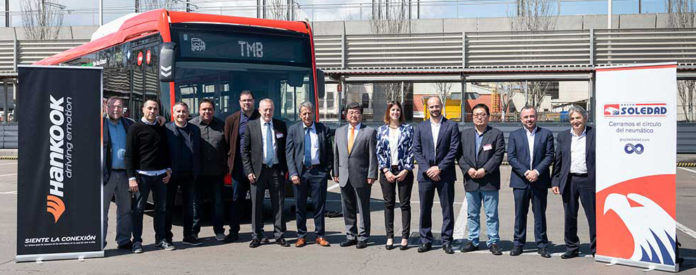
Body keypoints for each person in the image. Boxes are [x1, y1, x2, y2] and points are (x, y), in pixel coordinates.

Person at [412, 96, 460, 254]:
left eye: (437, 106)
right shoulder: (420, 127)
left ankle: (447, 241)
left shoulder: (451, 125)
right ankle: (425, 240)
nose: (434, 109)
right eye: (431, 107)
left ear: (441, 106)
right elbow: (416, 151)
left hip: (445, 174)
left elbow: (454, 150)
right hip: (425, 176)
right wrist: (428, 170)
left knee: (447, 209)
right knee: (425, 209)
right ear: (427, 108)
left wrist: (439, 168)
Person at [507, 105, 555, 258]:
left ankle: (541, 244)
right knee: (520, 214)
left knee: (540, 214)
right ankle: (518, 244)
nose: (529, 119)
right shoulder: (514, 135)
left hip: (539, 181)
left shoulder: (546, 134)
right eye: (526, 117)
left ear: (537, 117)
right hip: (520, 181)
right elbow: (511, 157)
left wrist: (537, 172)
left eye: (532, 116)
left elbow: (549, 156)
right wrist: (526, 172)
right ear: (521, 119)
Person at [125, 99, 172, 253]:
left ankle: (161, 240)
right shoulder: (135, 128)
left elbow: (166, 151)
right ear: (143, 109)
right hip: (142, 176)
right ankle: (137, 241)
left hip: (160, 176)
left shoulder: (161, 127)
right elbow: (129, 155)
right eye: (150, 108)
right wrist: (131, 177)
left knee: (161, 209)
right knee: (138, 210)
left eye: (155, 108)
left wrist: (169, 170)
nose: (152, 111)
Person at [457, 103, 505, 256]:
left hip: (489, 180)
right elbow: (460, 155)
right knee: (472, 213)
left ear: (488, 116)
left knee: (491, 214)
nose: (479, 117)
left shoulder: (496, 134)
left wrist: (484, 170)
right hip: (471, 179)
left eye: (482, 114)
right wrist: (468, 169)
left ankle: (493, 241)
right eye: (476, 114)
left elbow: (498, 155)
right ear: (472, 117)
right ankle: (473, 240)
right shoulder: (464, 134)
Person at [241, 98, 289, 248]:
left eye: (270, 109)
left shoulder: (280, 125)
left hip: (276, 169)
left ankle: (279, 235)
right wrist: (249, 171)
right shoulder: (251, 126)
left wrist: (284, 170)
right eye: (265, 110)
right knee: (256, 205)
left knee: (279, 204)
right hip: (257, 171)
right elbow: (245, 151)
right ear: (260, 110)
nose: (268, 112)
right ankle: (257, 235)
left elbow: (286, 150)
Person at [285, 102, 333, 247]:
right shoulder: (293, 130)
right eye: (304, 113)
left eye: (309, 113)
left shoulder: (323, 129)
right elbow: (289, 153)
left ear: (314, 113)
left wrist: (326, 171)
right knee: (300, 206)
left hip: (318, 172)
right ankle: (301, 235)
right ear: (300, 115)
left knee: (319, 205)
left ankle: (320, 235)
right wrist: (293, 173)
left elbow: (329, 152)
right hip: (300, 173)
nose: (307, 116)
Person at [552, 105, 596, 259]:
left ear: (584, 118)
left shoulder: (594, 134)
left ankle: (597, 247)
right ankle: (571, 247)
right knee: (570, 215)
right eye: (572, 118)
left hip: (589, 180)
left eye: (578, 117)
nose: (575, 121)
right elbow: (558, 160)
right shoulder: (563, 136)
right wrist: (555, 180)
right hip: (569, 180)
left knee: (593, 216)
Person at [332, 102, 377, 249]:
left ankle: (363, 236)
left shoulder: (369, 132)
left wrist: (372, 174)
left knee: (363, 207)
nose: (353, 115)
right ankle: (351, 235)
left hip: (362, 175)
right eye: (351, 112)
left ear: (361, 115)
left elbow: (372, 155)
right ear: (346, 114)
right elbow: (336, 154)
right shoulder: (339, 131)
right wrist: (336, 172)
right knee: (347, 207)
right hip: (344, 175)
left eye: (356, 112)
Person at [375, 101, 414, 250]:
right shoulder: (381, 130)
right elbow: (378, 152)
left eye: (398, 110)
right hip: (387, 172)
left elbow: (412, 150)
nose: (395, 112)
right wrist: (385, 170)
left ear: (401, 113)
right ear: (388, 112)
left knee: (404, 204)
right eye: (393, 110)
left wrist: (406, 169)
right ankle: (390, 237)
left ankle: (405, 237)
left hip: (404, 171)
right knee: (389, 204)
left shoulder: (408, 129)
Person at [190, 99, 230, 242]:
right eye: (204, 109)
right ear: (199, 111)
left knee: (218, 203)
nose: (207, 112)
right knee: (196, 204)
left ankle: (219, 231)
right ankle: (194, 232)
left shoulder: (221, 125)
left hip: (216, 173)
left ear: (214, 110)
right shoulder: (192, 125)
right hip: (197, 174)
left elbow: (227, 147)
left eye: (209, 109)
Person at [224, 90, 259, 242]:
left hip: (257, 166)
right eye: (244, 100)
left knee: (256, 201)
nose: (247, 103)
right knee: (237, 199)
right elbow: (227, 142)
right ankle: (233, 232)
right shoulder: (232, 120)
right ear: (239, 102)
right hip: (238, 167)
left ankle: (257, 233)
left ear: (254, 101)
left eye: (249, 100)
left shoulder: (261, 117)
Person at [164, 102, 201, 246]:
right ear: (173, 113)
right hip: (171, 174)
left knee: (189, 207)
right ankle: (166, 236)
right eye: (178, 111)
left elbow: (198, 151)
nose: (181, 114)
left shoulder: (194, 129)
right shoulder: (166, 128)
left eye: (184, 111)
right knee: (168, 207)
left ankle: (188, 235)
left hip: (189, 174)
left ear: (188, 113)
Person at [102, 97, 134, 250]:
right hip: (106, 174)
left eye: (119, 106)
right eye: (112, 106)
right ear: (106, 107)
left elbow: (147, 123)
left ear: (124, 109)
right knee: (102, 210)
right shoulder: (100, 124)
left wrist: (161, 118)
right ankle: (99, 242)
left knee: (125, 210)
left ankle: (124, 240)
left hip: (125, 175)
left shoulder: (129, 124)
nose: (116, 109)